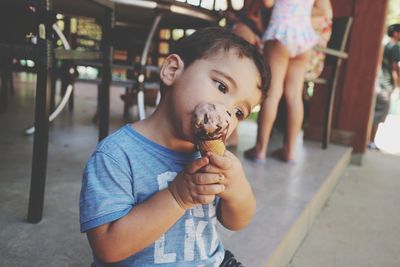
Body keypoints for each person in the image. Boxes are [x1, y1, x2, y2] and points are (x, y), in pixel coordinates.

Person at [79, 27, 270, 266]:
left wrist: (236, 187)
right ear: (172, 71)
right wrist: (178, 196)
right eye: (221, 86)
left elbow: (237, 221)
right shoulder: (116, 155)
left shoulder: (209, 158)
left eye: (239, 112)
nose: (227, 113)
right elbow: (107, 247)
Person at [244, 0, 332, 163]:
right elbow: (323, 10)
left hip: (281, 31)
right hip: (304, 37)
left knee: (272, 94)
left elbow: (268, 3)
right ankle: (289, 151)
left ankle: (260, 149)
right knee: (294, 96)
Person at [370, 23, 400, 149]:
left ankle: (369, 140)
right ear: (395, 33)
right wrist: (398, 85)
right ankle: (370, 141)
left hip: (378, 82)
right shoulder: (394, 47)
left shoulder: (384, 45)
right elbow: (395, 69)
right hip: (386, 85)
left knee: (375, 113)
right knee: (378, 115)